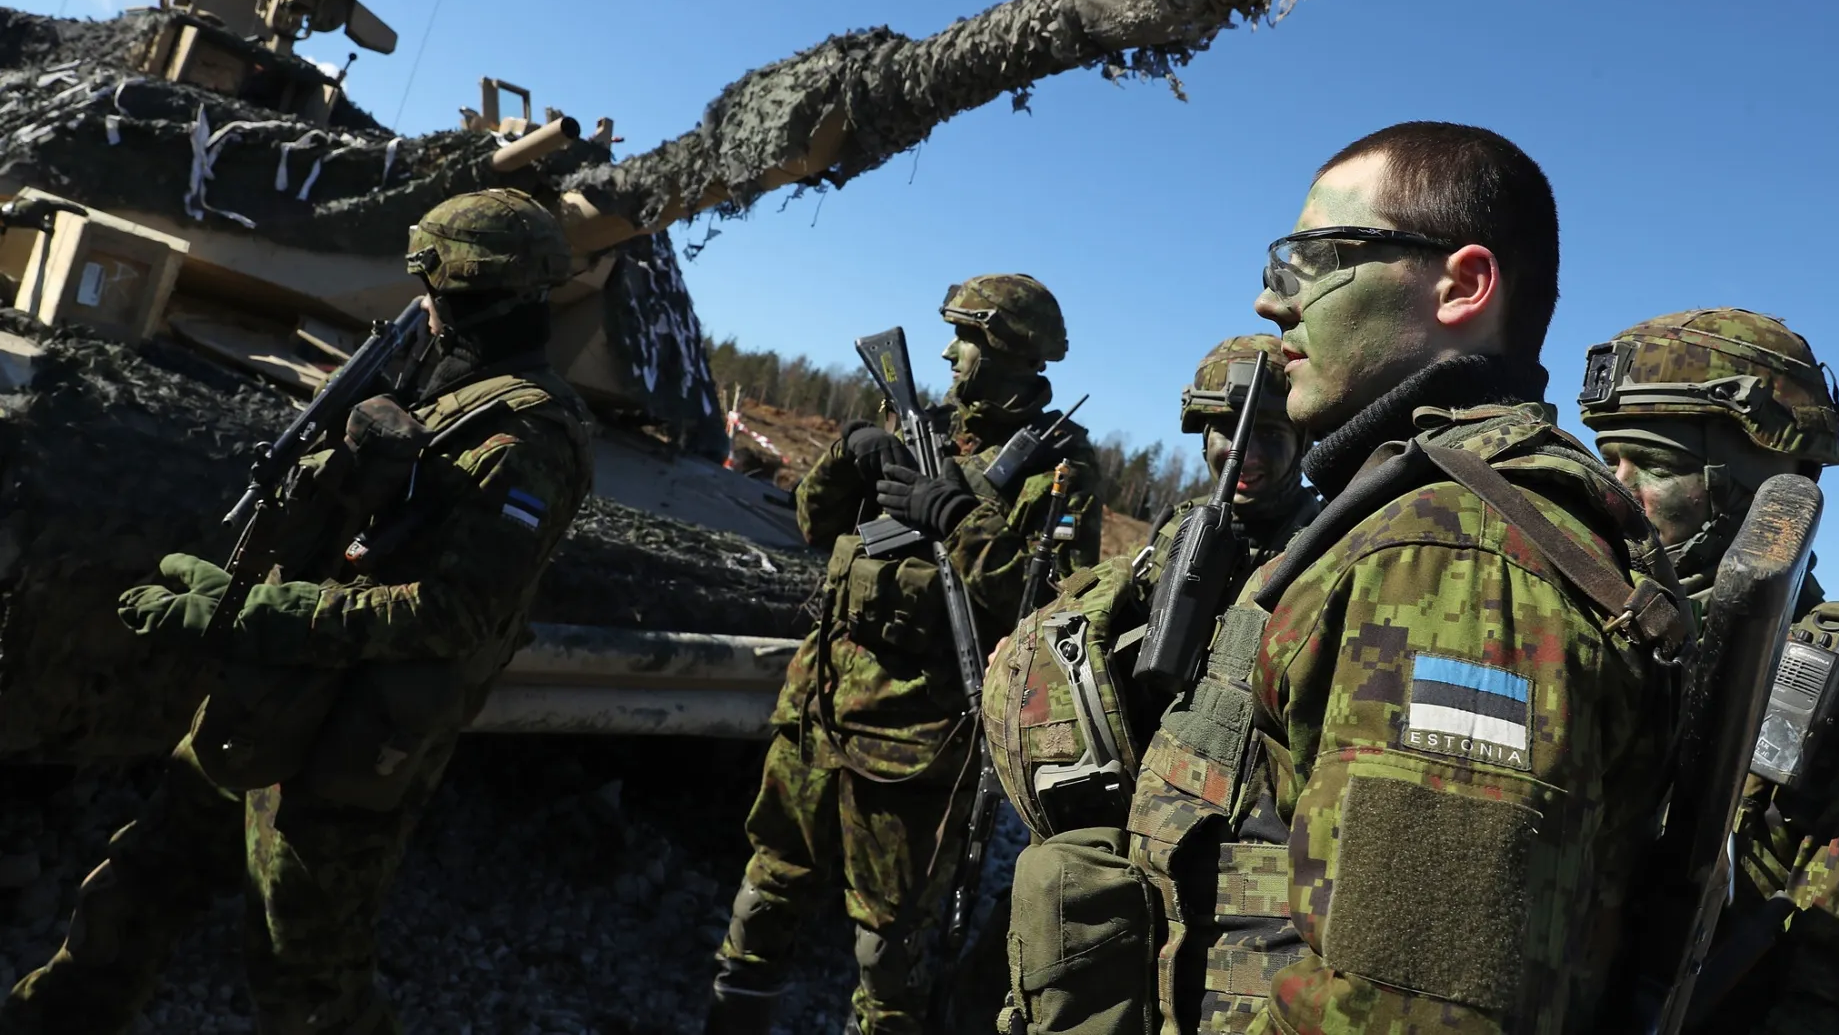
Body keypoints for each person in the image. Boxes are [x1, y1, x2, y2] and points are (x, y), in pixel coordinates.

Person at [1116, 122, 1688, 1035]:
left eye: (1310, 259)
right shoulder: (1423, 506)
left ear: (1462, 284)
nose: (1271, 301)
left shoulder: (1458, 554)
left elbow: (1405, 1015)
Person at [3, 188, 594, 1034]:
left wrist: (259, 614)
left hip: (350, 741)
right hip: (269, 696)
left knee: (307, 980)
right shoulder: (438, 387)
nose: (421, 305)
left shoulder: (526, 436)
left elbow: (454, 613)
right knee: (136, 885)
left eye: (431, 284)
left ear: (466, 289)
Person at [706, 274, 1101, 1035]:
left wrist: (954, 516)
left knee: (887, 947)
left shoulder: (1059, 467)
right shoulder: (917, 423)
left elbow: (1052, 604)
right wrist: (846, 452)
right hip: (818, 702)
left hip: (915, 740)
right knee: (768, 886)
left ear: (1011, 350)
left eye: (969, 338)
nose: (951, 352)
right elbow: (814, 524)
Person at [1578, 308, 1839, 1034]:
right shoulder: (1587, 639)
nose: (1615, 492)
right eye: (1609, 462)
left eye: (1656, 466)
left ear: (1773, 493)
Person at [982, 334, 1318, 1034]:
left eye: (1270, 434)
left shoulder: (1324, 551)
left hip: (1245, 895)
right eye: (1224, 430)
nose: (1242, 452)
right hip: (1144, 853)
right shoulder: (1181, 532)